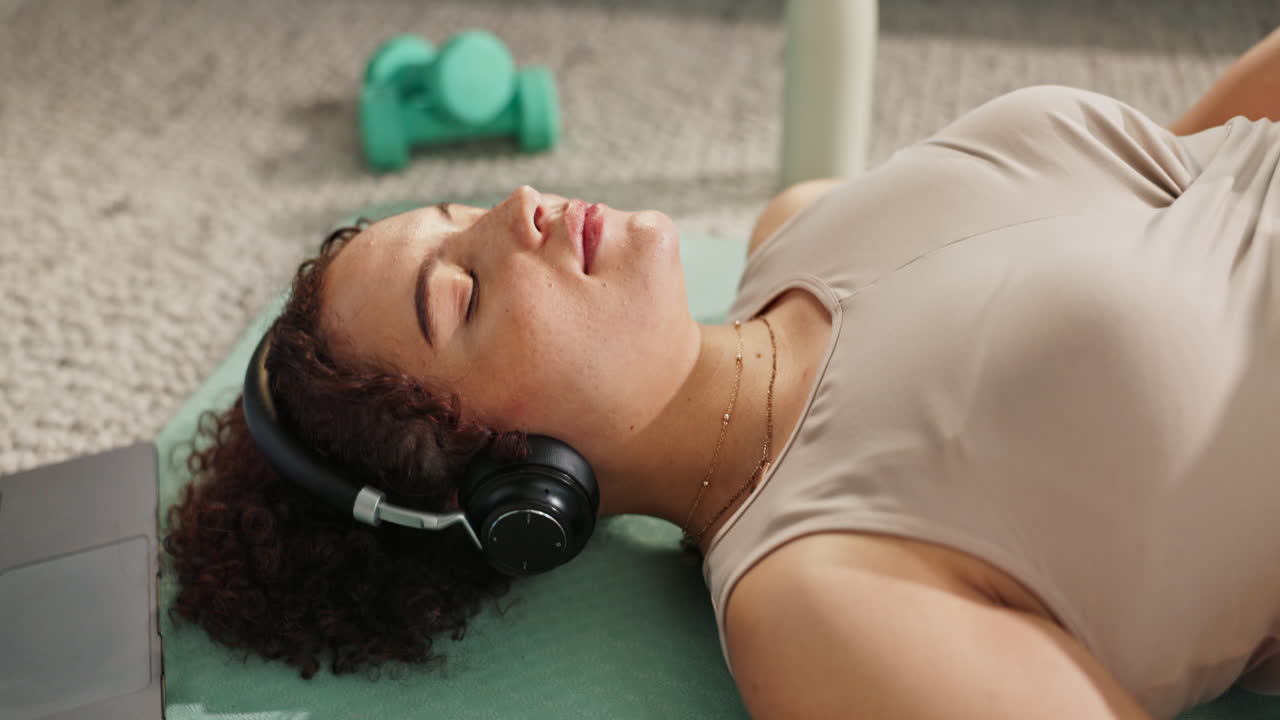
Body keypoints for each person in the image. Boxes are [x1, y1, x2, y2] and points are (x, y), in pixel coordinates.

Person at [163, 26, 1280, 720]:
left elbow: (1189, 165)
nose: (516, 209)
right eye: (460, 291)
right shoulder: (817, 605)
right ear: (512, 494)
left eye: (461, 210)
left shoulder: (799, 228)